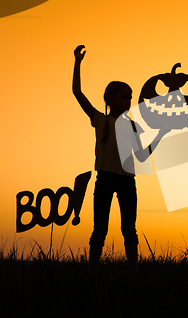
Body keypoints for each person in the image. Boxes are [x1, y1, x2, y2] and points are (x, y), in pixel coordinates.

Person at [72, 45, 169, 273]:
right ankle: (92, 271)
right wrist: (77, 62)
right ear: (110, 99)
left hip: (127, 182)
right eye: (124, 97)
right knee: (100, 229)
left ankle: (132, 272)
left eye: (130, 98)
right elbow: (77, 93)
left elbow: (142, 156)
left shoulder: (132, 126)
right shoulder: (100, 120)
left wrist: (160, 135)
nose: (128, 102)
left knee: (129, 229)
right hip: (104, 180)